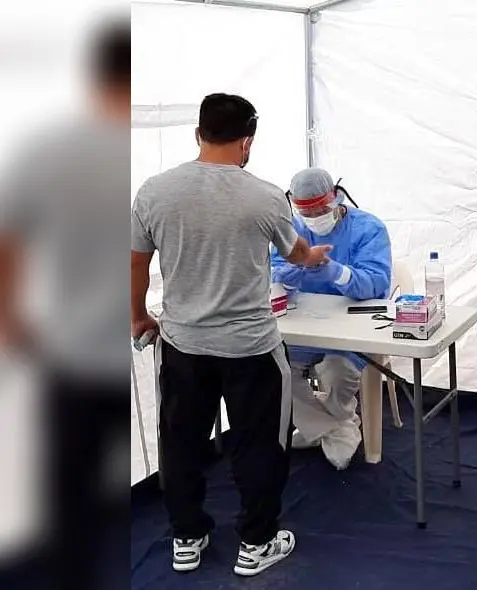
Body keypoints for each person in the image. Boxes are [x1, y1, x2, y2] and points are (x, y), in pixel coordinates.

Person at [131, 93, 332, 576]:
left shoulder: (155, 191)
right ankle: (257, 542)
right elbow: (296, 250)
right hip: (250, 349)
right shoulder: (263, 196)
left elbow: (136, 260)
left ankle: (187, 535)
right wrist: (315, 257)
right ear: (248, 140)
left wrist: (137, 315)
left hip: (182, 345)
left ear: (198, 134)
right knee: (259, 444)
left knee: (180, 444)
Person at [0, 17, 130, 590]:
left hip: (69, 352)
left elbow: (9, 241)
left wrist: (13, 322)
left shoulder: (47, 150)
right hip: (122, 345)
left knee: (69, 498)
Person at [270, 167, 392, 470]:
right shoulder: (291, 232)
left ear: (337, 198)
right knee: (275, 371)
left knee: (336, 372)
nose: (314, 217)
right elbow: (270, 273)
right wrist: (290, 272)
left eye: (321, 209)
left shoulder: (368, 228)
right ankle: (334, 427)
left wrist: (337, 271)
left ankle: (323, 426)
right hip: (304, 330)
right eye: (305, 212)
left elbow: (377, 283)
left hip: (352, 332)